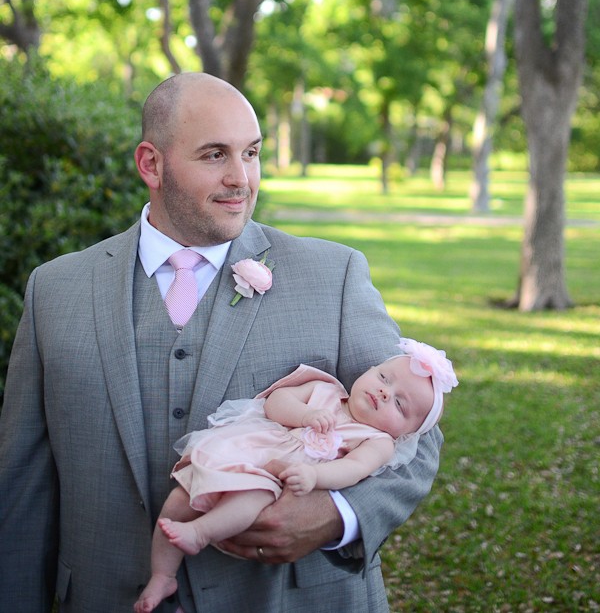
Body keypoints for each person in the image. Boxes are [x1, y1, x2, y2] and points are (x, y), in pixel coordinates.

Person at [0, 71, 443, 613]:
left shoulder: (335, 275)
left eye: (251, 153)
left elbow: (417, 431)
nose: (242, 178)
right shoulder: (56, 290)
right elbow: (21, 489)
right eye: (215, 155)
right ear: (151, 164)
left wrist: (336, 513)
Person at [135, 340, 458, 612]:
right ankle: (163, 575)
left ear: (408, 432)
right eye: (384, 378)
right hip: (246, 448)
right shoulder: (325, 390)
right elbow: (276, 401)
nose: (385, 393)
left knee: (250, 497)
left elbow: (352, 469)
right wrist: (305, 414)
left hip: (274, 474)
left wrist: (314, 475)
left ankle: (200, 532)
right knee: (180, 496)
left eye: (400, 404)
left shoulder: (376, 441)